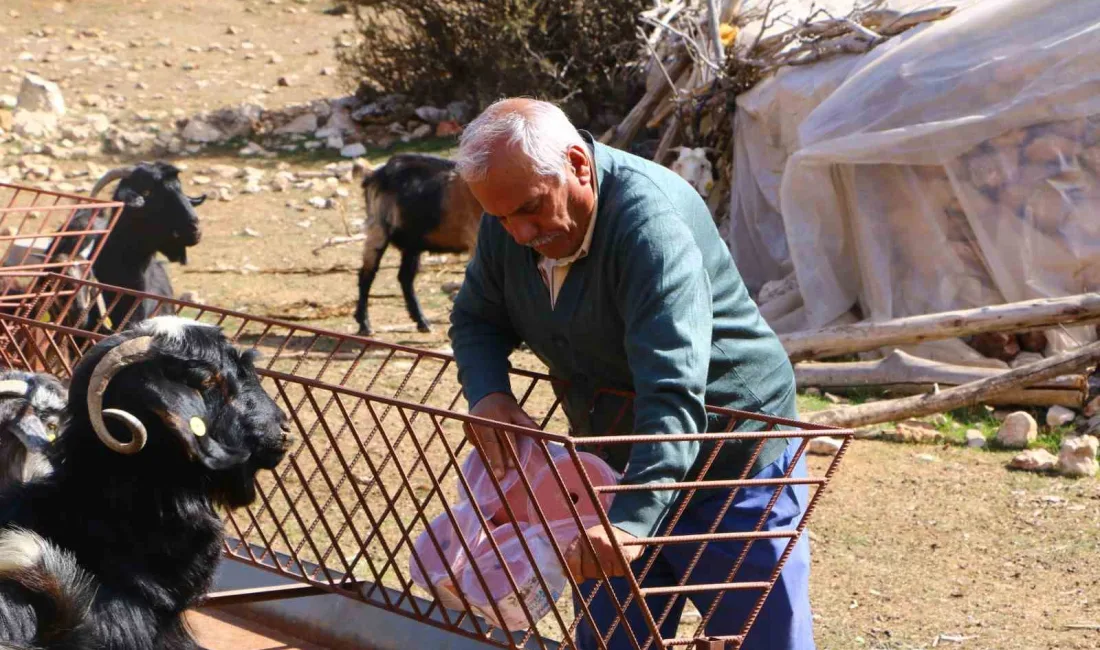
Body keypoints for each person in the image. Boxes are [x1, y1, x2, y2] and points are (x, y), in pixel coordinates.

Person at [448, 97, 814, 649]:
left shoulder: (650, 227)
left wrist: (630, 523)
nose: (519, 234)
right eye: (500, 218)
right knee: (613, 638)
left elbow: (670, 391)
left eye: (529, 210)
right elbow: (475, 317)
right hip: (613, 460)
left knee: (759, 637)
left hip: (729, 455)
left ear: (576, 164)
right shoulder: (512, 218)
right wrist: (488, 394)